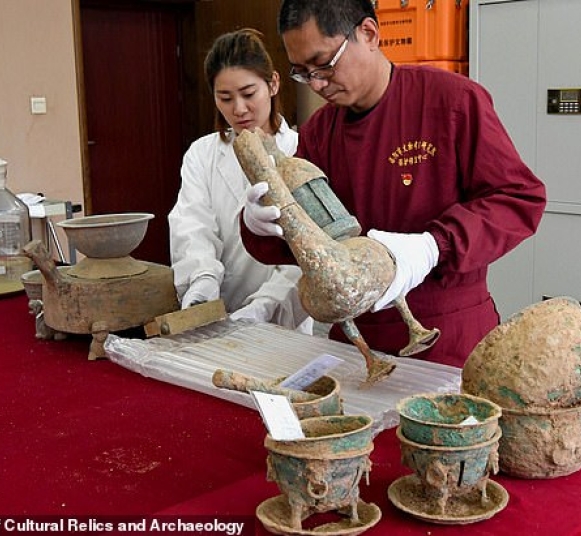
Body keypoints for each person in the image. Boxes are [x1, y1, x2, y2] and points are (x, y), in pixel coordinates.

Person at [239, 0, 547, 368]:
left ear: (369, 33)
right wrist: (262, 224)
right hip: (357, 344)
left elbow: (517, 198)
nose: (317, 83)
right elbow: (307, 243)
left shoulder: (451, 101)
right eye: (303, 72)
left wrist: (434, 246)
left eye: (324, 65)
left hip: (447, 334)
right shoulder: (320, 131)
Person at [169, 28, 311, 333]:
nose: (239, 109)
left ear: (273, 84)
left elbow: (305, 250)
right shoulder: (202, 154)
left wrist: (265, 306)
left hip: (285, 323)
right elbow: (192, 225)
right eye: (225, 98)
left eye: (248, 94)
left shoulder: (301, 152)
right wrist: (202, 281)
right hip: (217, 314)